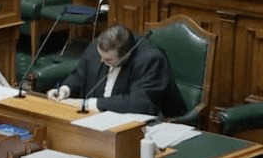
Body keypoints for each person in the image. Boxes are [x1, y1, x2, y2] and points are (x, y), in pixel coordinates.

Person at [46, 25, 187, 117]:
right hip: (96, 120)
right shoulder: (100, 47)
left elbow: (139, 103)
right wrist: (65, 90)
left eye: (108, 60)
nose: (101, 61)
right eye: (100, 56)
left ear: (127, 55)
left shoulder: (151, 60)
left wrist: (88, 104)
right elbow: (80, 73)